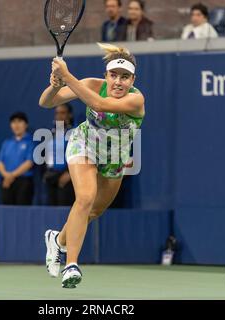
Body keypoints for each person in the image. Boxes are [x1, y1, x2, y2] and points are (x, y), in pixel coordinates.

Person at [39, 43, 145, 288]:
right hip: (83, 145)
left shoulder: (137, 100)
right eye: (114, 75)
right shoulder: (89, 84)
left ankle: (57, 240)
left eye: (125, 77)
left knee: (94, 212)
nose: (118, 82)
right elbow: (45, 102)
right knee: (85, 198)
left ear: (133, 79)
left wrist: (67, 76)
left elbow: (99, 105)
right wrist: (55, 86)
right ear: (106, 75)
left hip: (115, 157)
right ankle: (72, 264)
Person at [0, 112, 35, 205]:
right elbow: (0, 162)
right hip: (6, 181)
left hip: (23, 182)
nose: (16, 125)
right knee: (6, 210)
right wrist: (6, 175)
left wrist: (11, 175)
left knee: (23, 212)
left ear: (26, 124)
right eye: (13, 122)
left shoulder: (31, 142)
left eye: (19, 121)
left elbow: (29, 162)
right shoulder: (7, 143)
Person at [43, 104, 75, 206]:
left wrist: (69, 174)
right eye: (57, 113)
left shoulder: (75, 133)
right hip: (51, 178)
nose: (59, 116)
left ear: (69, 115)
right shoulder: (51, 133)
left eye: (63, 113)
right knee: (51, 212)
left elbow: (79, 157)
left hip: (67, 179)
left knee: (64, 212)